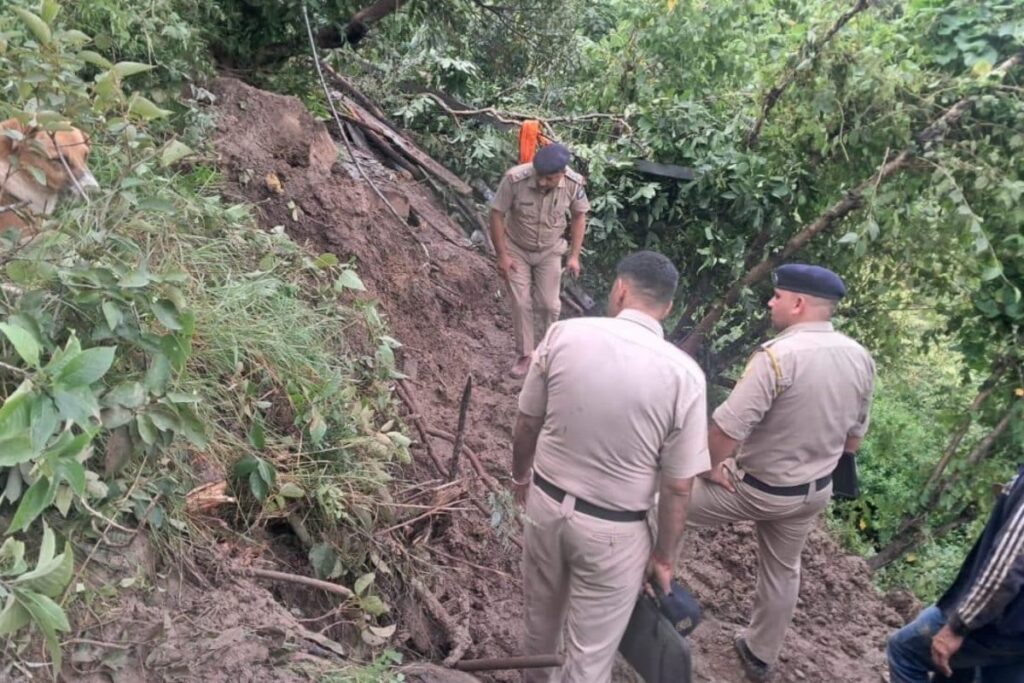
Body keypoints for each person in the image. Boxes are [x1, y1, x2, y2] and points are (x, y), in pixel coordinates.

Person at [510, 251, 710, 682]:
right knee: (590, 657)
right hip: (616, 534)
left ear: (620, 289)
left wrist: (520, 477)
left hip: (545, 505)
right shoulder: (685, 376)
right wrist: (663, 557)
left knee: (539, 627)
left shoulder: (564, 335)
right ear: (668, 307)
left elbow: (526, 423)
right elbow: (678, 487)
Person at [687, 263, 876, 681]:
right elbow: (853, 441)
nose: (771, 302)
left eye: (777, 296)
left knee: (664, 501)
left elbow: (726, 431)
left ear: (798, 303)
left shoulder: (777, 357)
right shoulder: (860, 357)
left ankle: (640, 590)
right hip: (812, 493)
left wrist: (705, 469)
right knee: (783, 569)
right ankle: (759, 653)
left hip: (757, 488)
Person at [886, 467, 1024, 683]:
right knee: (959, 673)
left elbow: (1006, 566)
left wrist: (959, 625)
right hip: (1016, 634)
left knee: (904, 650)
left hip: (999, 621)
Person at [490, 143, 590, 378]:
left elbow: (579, 216)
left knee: (548, 305)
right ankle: (525, 355)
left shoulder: (574, 184)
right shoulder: (515, 179)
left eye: (549, 178)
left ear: (561, 174)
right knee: (521, 301)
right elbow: (496, 214)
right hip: (516, 248)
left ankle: (545, 354)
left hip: (550, 250)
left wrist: (574, 256)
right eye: (539, 177)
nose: (542, 182)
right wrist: (502, 255)